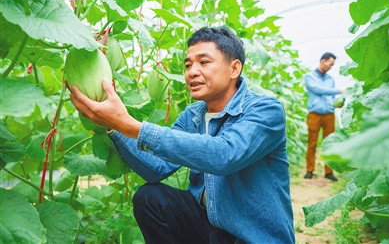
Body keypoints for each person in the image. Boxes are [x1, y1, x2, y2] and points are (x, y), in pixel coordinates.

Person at [70, 27, 295, 243]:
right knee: (150, 198)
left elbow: (224, 154)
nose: (192, 72)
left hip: (252, 237)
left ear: (234, 69)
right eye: (188, 65)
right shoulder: (193, 115)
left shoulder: (266, 110)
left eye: (204, 62)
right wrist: (114, 126)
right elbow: (157, 168)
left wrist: (131, 125)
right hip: (212, 230)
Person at [304, 52, 343, 181]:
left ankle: (328, 172)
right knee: (312, 143)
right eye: (330, 64)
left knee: (330, 143)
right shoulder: (309, 77)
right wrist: (338, 91)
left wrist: (338, 103)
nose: (331, 67)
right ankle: (310, 170)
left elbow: (331, 97)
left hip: (329, 114)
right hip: (314, 114)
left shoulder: (330, 79)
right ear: (323, 61)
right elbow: (318, 90)